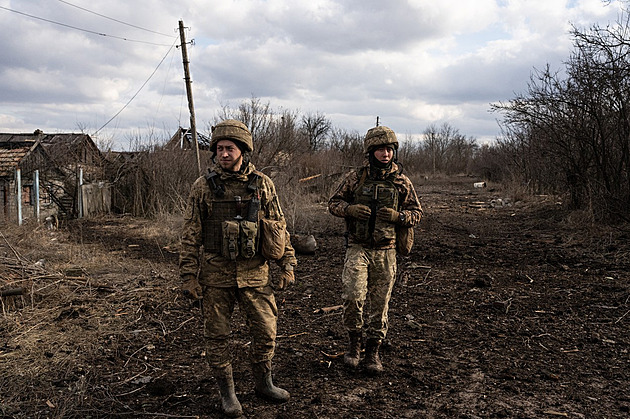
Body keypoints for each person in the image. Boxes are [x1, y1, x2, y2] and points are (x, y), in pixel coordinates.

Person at [179, 119, 297, 417]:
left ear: (243, 150)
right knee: (217, 336)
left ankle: (263, 382)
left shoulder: (263, 185)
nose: (224, 154)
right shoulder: (203, 187)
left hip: (256, 274)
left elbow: (279, 230)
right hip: (216, 276)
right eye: (219, 149)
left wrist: (287, 264)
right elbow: (191, 235)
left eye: (230, 148)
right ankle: (227, 393)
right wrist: (188, 277)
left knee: (266, 333)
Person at [328, 125, 422, 375]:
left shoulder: (402, 181)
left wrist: (398, 216)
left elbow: (417, 214)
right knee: (352, 297)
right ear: (371, 152)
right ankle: (354, 345)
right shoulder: (356, 178)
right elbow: (333, 203)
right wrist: (349, 210)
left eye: (389, 149)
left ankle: (373, 351)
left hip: (386, 250)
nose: (385, 154)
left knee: (380, 304)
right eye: (380, 149)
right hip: (358, 248)